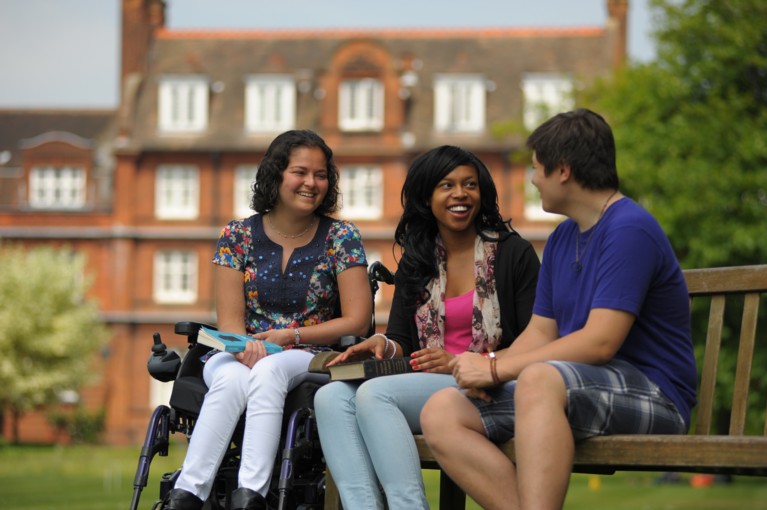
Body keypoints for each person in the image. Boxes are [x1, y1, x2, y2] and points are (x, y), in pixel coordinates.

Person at [420, 109, 698, 510]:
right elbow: (540, 333)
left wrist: (496, 369)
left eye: (537, 169)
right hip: (574, 386)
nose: (533, 180)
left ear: (563, 171)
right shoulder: (563, 236)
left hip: (655, 394)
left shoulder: (629, 229)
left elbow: (601, 342)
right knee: (443, 409)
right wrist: (482, 363)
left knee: (538, 378)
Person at [314, 145, 541, 510]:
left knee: (376, 396)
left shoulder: (514, 254)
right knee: (330, 396)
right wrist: (380, 346)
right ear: (427, 197)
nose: (460, 194)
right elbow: (404, 339)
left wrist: (459, 361)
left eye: (470, 184)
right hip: (429, 381)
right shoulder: (418, 259)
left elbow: (536, 342)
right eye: (446, 185)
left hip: (490, 381)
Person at [163, 130, 371, 510]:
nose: (312, 183)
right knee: (228, 377)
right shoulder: (237, 235)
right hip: (241, 350)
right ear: (276, 175)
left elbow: (357, 319)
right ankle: (188, 494)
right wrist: (247, 348)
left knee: (268, 371)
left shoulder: (342, 237)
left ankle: (251, 495)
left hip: (310, 352)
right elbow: (230, 324)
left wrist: (289, 336)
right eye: (300, 172)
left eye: (321, 174)